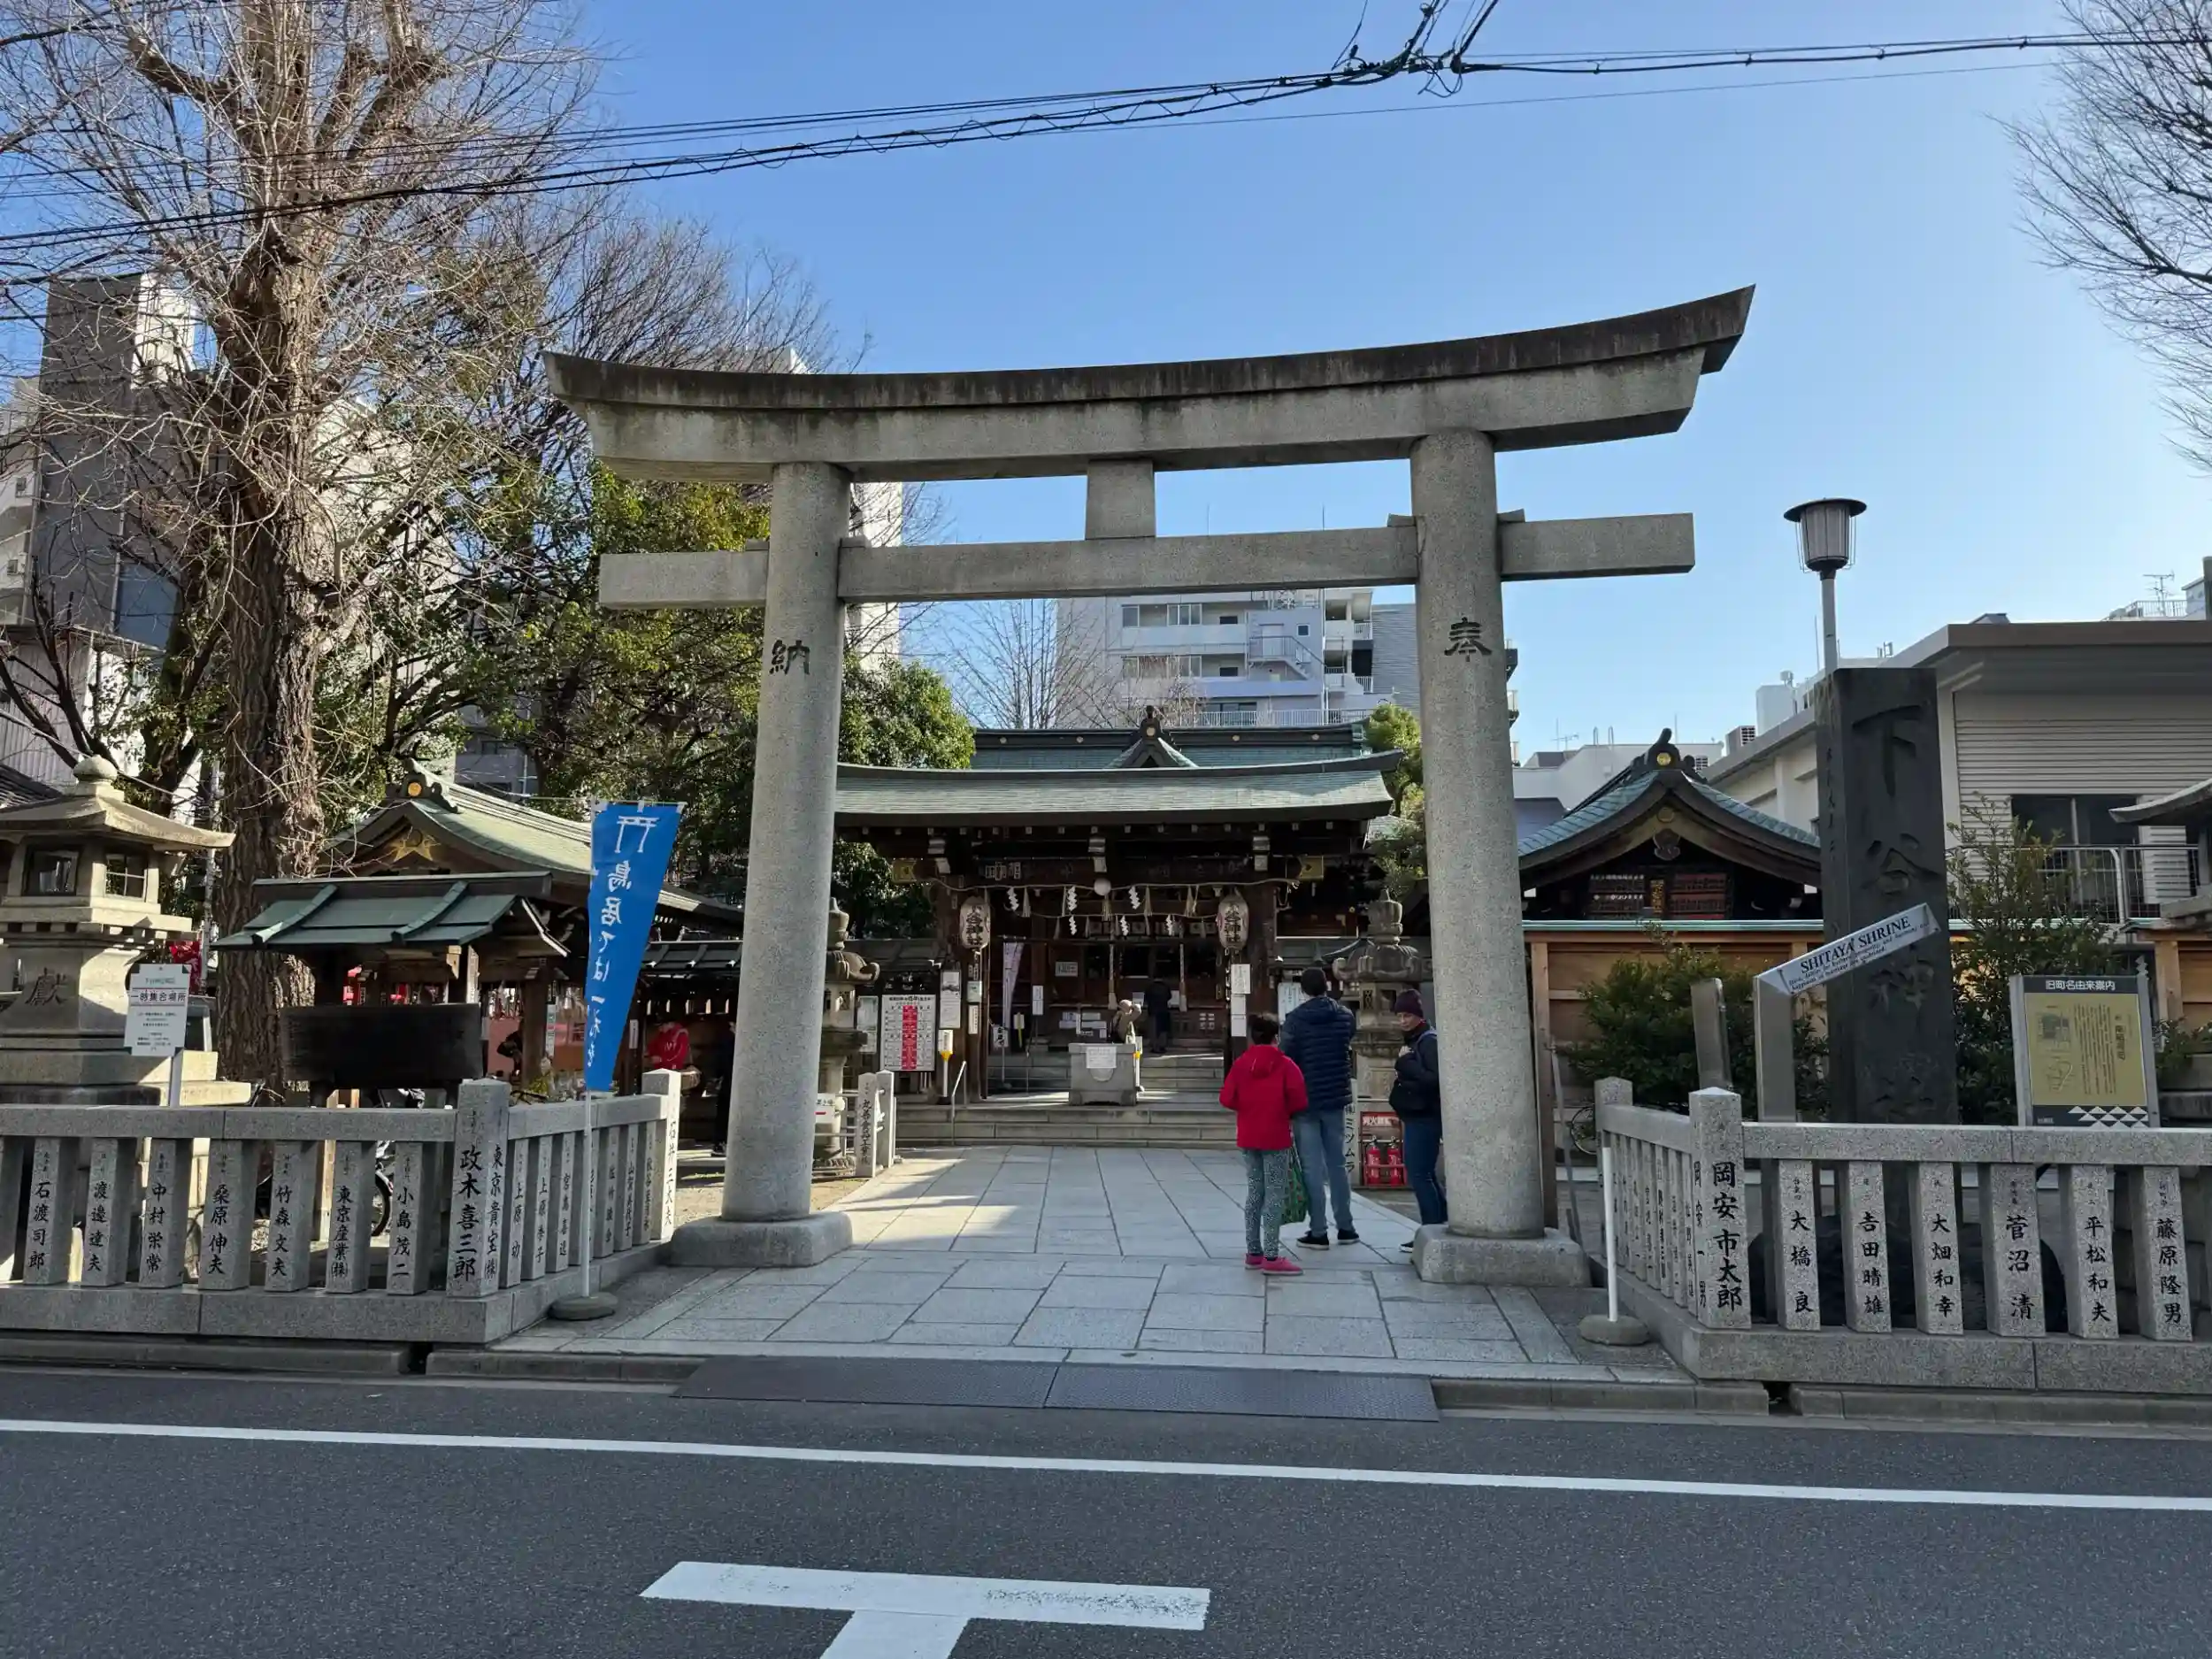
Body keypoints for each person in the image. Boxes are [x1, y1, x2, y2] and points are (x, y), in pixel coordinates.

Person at [1219, 1009, 1306, 1274]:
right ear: (1276, 1037)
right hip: (1276, 1136)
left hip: (1248, 1136)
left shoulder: (1241, 1064)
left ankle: (1253, 1251)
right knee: (1274, 1194)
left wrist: (1248, 1107)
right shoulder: (1286, 1065)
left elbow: (1226, 1098)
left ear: (1252, 1037)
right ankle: (1271, 1255)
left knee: (1255, 1192)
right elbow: (1299, 1100)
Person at [1279, 965, 1358, 1248]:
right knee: (1337, 1163)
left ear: (1303, 989)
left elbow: (1285, 1057)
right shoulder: (1345, 1016)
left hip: (1306, 1100)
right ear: (1327, 985)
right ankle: (1346, 1227)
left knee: (1312, 1167)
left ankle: (1319, 1230)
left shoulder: (1295, 1020)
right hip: (1336, 1095)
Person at [1389, 988, 1445, 1237]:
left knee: (1419, 1174)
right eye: (1400, 1016)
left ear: (1419, 1016)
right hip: (1418, 1115)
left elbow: (1434, 1080)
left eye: (1408, 1015)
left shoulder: (1428, 1041)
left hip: (1425, 1116)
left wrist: (1405, 1063)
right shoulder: (1415, 1039)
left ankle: (1431, 1230)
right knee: (1425, 1173)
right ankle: (1439, 1226)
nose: (1403, 1021)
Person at [1143, 975, 1173, 1048]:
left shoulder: (1150, 987)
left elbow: (1146, 998)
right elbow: (1169, 997)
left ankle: (1155, 1046)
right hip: (1164, 1010)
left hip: (1153, 1010)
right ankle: (1162, 1045)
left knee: (1154, 1029)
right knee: (1163, 1029)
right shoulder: (1166, 987)